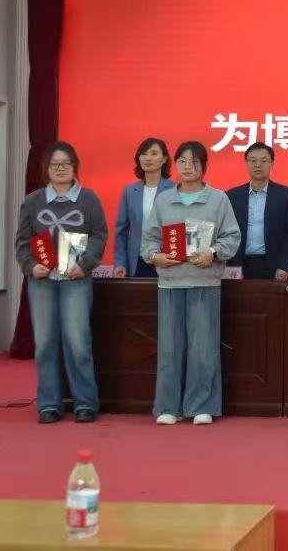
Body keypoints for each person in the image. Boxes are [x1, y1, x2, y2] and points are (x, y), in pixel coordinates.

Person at [141, 141, 241, 426]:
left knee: (203, 347)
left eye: (194, 161)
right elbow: (148, 241)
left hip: (205, 283)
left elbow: (232, 238)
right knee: (169, 347)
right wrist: (156, 256)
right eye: (182, 161)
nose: (188, 166)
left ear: (204, 166)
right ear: (175, 165)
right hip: (170, 283)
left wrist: (213, 252)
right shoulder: (164, 201)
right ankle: (168, 406)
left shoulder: (218, 199)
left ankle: (202, 405)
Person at [14, 141, 108, 424]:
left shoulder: (89, 199)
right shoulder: (33, 201)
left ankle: (85, 403)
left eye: (65, 164)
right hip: (42, 282)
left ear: (74, 167)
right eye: (54, 164)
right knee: (44, 344)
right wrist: (31, 266)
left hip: (76, 280)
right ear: (46, 168)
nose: (60, 169)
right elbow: (22, 241)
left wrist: (85, 265)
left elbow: (99, 235)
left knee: (78, 342)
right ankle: (48, 404)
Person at [226, 142, 288, 280]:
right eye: (253, 160)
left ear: (272, 163)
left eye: (263, 160)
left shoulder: (287, 196)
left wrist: (284, 265)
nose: (258, 165)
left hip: (274, 267)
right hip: (237, 265)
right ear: (246, 163)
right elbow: (226, 232)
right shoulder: (231, 196)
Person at [114, 137, 175, 278]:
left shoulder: (174, 189)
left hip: (166, 259)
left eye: (154, 153)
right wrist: (120, 262)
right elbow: (121, 231)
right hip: (136, 260)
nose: (148, 158)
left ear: (164, 159)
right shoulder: (130, 191)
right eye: (144, 153)